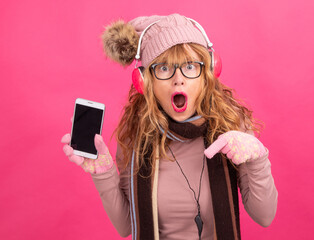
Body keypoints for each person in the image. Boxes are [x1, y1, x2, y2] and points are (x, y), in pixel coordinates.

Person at [61, 13, 278, 240]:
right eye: (164, 68)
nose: (178, 79)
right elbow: (126, 226)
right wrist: (103, 172)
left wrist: (257, 159)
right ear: (146, 81)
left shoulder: (232, 129)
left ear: (208, 74)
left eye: (190, 66)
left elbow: (265, 216)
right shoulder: (135, 135)